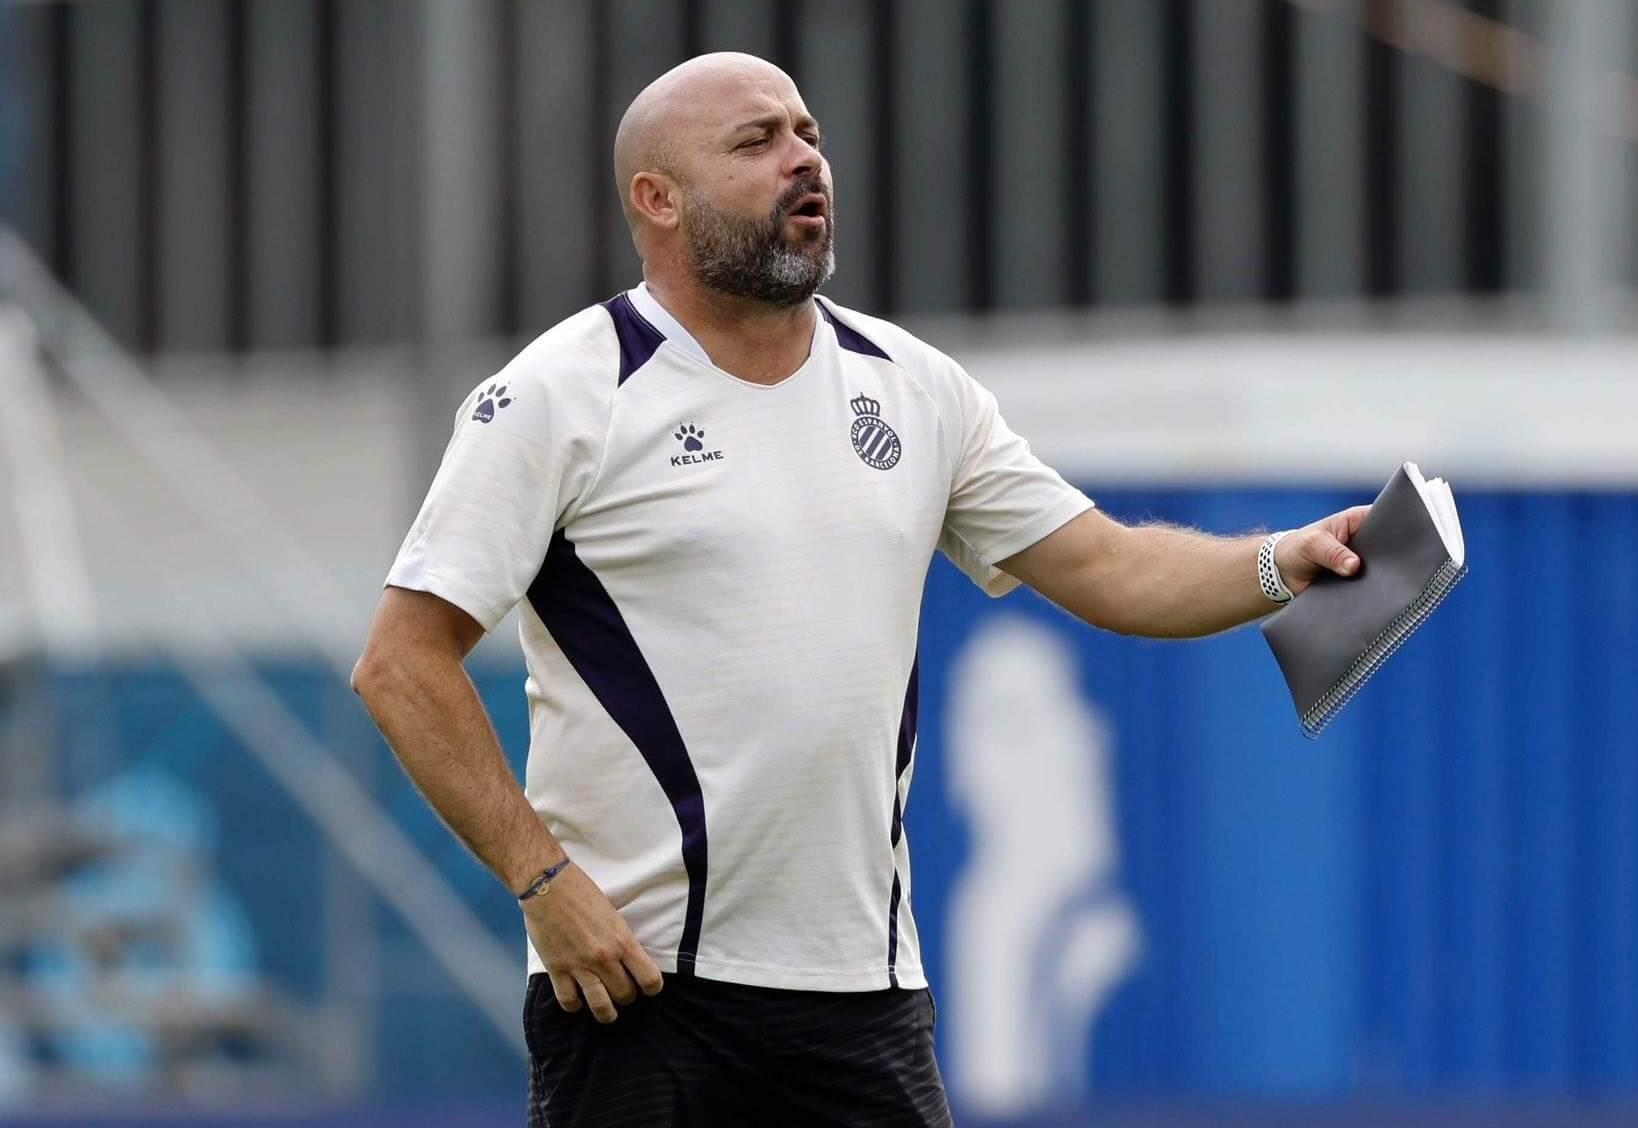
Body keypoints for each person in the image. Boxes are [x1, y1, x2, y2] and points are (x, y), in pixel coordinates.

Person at [351, 51, 1368, 1128]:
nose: (804, 162)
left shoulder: (915, 387)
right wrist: (544, 886)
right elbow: (400, 664)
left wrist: (1279, 563)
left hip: (864, 999)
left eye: (809, 136)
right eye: (756, 143)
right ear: (657, 198)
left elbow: (1110, 568)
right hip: (641, 993)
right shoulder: (561, 393)